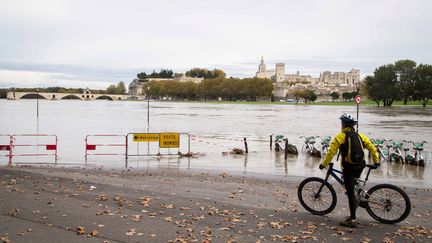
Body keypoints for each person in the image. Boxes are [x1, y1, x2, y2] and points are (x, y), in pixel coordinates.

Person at [319, 113, 380, 228]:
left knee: (350, 192)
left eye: (342, 123)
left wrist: (324, 164)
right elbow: (372, 147)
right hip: (360, 165)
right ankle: (358, 197)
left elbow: (331, 152)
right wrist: (376, 161)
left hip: (348, 167)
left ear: (344, 124)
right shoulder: (360, 136)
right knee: (355, 184)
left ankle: (352, 219)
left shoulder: (340, 136)